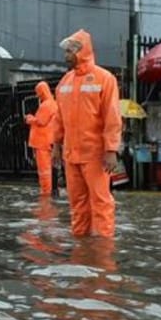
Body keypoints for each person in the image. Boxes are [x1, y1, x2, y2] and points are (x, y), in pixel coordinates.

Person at [51, 29, 123, 237]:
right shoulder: (64, 82)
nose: (66, 56)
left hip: (95, 155)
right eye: (66, 51)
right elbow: (59, 118)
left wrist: (111, 150)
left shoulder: (105, 79)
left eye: (69, 51)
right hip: (71, 155)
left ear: (81, 51)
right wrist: (56, 145)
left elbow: (112, 116)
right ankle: (81, 244)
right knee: (77, 203)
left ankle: (103, 246)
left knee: (101, 202)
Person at [24, 80, 58, 195]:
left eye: (38, 92)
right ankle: (51, 189)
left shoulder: (46, 105)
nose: (37, 95)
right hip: (48, 140)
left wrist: (29, 118)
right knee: (50, 168)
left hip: (42, 141)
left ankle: (46, 191)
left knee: (44, 169)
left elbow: (41, 121)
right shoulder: (53, 103)